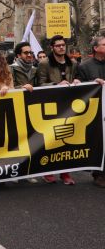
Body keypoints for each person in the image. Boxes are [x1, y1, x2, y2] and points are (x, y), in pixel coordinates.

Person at [36, 35, 79, 185]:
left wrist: (77, 81)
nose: (61, 47)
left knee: (66, 139)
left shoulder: (72, 63)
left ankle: (65, 173)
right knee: (50, 139)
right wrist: (56, 85)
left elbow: (77, 78)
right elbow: (39, 84)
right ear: (52, 47)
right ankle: (47, 172)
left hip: (68, 106)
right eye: (58, 45)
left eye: (63, 45)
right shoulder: (44, 64)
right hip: (50, 105)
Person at [77, 34, 105, 188]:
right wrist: (92, 83)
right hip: (95, 112)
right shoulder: (84, 67)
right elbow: (81, 89)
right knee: (98, 142)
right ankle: (99, 174)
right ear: (96, 48)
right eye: (104, 44)